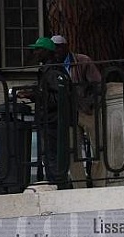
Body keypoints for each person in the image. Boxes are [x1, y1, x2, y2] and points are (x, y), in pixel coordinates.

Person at [51, 35, 104, 187]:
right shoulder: (52, 65)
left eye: (59, 46)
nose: (56, 50)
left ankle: (98, 181)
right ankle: (79, 184)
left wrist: (90, 103)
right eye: (54, 47)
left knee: (97, 147)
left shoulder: (83, 61)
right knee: (72, 151)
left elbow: (98, 85)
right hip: (68, 113)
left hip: (86, 111)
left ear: (66, 46)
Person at [22, 37, 72, 189]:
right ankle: (56, 184)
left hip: (53, 121)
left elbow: (60, 97)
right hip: (50, 120)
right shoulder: (48, 70)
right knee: (50, 157)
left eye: (38, 49)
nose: (35, 52)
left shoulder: (53, 71)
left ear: (46, 52)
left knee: (52, 157)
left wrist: (36, 95)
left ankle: (57, 186)